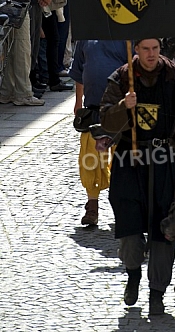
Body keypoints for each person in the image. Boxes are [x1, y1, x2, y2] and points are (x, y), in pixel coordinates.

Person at [99, 38, 175, 315]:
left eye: (155, 48)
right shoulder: (121, 78)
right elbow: (106, 119)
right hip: (129, 163)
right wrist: (123, 106)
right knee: (130, 229)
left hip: (163, 164)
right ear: (136, 50)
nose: (151, 54)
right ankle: (133, 275)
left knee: (163, 230)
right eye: (145, 49)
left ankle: (157, 293)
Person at [69, 40, 129, 226]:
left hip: (120, 110)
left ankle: (123, 208)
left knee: (122, 160)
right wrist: (78, 101)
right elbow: (79, 71)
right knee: (89, 158)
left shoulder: (126, 36)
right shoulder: (86, 37)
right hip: (93, 107)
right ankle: (92, 205)